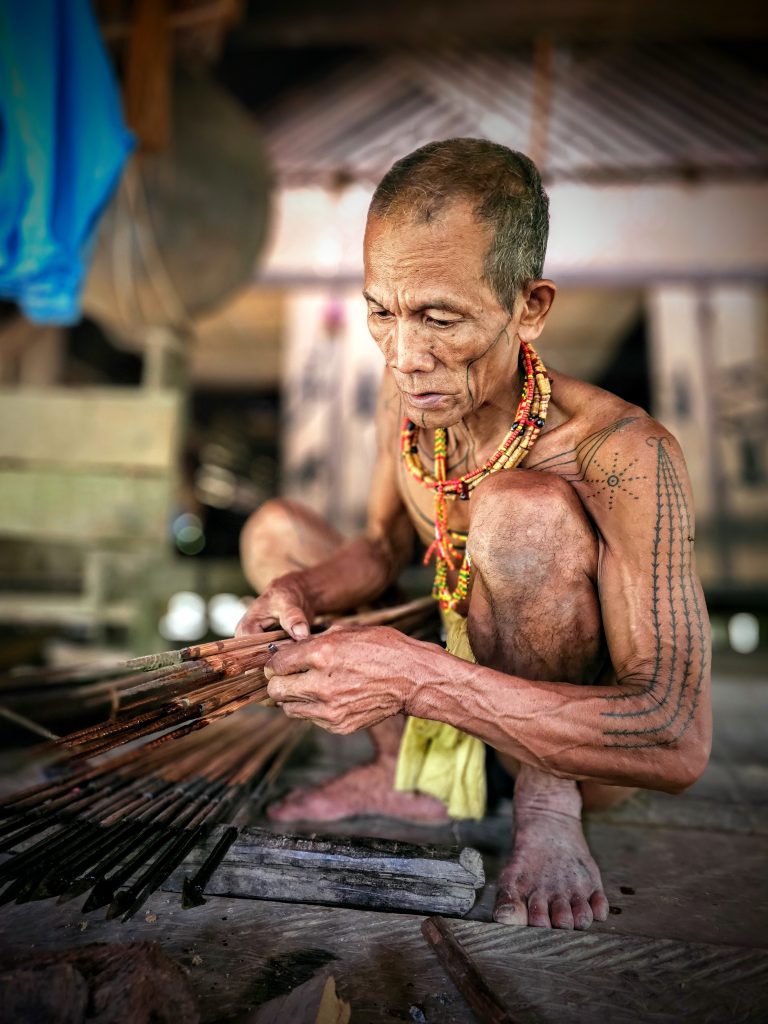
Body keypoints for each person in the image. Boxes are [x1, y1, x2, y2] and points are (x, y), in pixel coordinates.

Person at [236, 139, 712, 931]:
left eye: (438, 317)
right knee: (276, 531)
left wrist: (417, 676)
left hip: (572, 748)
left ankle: (546, 806)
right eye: (381, 312)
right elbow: (385, 548)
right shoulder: (421, 401)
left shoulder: (623, 454)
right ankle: (403, 773)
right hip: (455, 691)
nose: (402, 356)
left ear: (530, 308)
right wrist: (300, 593)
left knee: (518, 509)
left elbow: (674, 736)